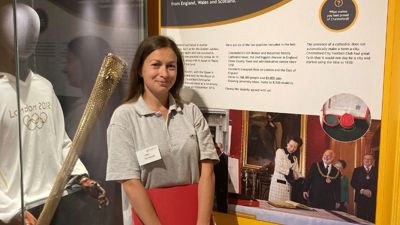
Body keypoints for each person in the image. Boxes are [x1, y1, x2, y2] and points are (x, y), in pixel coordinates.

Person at [0, 3, 108, 225]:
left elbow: (61, 142)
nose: (25, 36)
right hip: (20, 210)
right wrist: (10, 212)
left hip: (58, 201)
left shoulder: (44, 87)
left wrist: (81, 177)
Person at [106, 35, 219, 225]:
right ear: (140, 69)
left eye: (171, 66)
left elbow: (207, 172)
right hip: (148, 218)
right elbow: (130, 183)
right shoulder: (124, 117)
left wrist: (202, 223)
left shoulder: (191, 112)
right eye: (156, 65)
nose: (164, 73)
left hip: (194, 213)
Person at [63, 36, 124, 225]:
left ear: (86, 64)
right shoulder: (108, 107)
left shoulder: (85, 112)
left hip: (84, 209)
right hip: (99, 206)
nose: (65, 69)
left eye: (70, 61)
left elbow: (70, 161)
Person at [268, 135, 303, 202]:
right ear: (287, 143)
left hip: (288, 188)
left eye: (295, 147)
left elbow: (296, 172)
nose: (292, 149)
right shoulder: (280, 151)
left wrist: (302, 177)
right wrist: (291, 172)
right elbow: (278, 167)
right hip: (278, 187)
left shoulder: (294, 158)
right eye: (291, 146)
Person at [351, 153, 378, 222]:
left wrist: (371, 191)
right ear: (363, 160)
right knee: (360, 220)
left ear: (373, 161)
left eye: (370, 159)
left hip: (372, 199)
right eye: (366, 159)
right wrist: (362, 190)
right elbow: (353, 183)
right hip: (360, 199)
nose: (367, 160)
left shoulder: (378, 170)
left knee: (372, 219)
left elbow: (379, 184)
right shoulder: (357, 170)